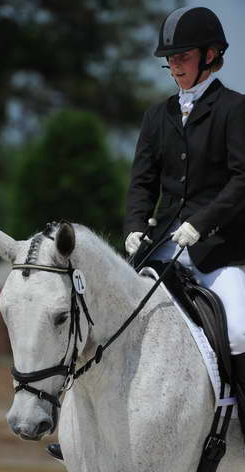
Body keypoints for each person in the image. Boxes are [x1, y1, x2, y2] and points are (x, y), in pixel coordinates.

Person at [124, 7, 245, 437]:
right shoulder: (157, 116)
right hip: (161, 247)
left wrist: (201, 223)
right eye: (169, 58)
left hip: (218, 251)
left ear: (211, 55)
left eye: (183, 56)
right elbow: (142, 182)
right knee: (111, 315)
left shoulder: (234, 109)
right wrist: (135, 226)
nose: (174, 65)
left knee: (240, 333)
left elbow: (241, 179)